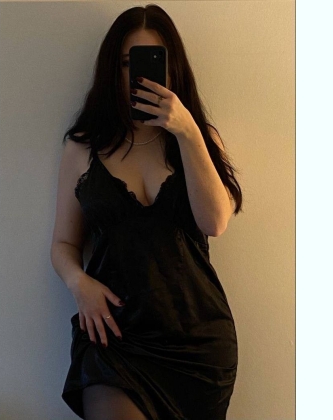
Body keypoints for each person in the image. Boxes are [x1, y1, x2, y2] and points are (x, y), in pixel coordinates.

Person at [51, 4, 243, 420]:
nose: (137, 75)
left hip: (197, 342)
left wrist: (187, 131)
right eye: (127, 63)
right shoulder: (83, 147)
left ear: (174, 69)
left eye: (154, 61)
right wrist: (78, 282)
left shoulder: (198, 139)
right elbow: (63, 243)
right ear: (112, 69)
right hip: (114, 336)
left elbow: (214, 222)